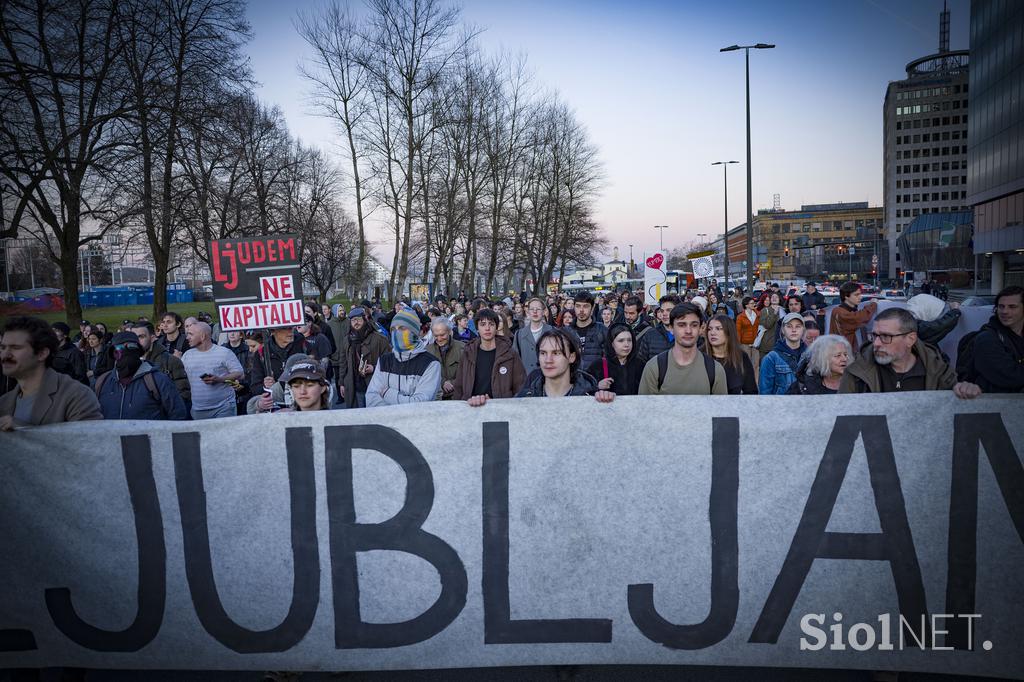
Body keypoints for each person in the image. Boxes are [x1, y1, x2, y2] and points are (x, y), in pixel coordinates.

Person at [839, 308, 980, 398]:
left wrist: (965, 390)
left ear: (910, 339)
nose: (876, 343)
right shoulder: (856, 372)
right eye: (874, 335)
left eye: (886, 336)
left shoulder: (939, 371)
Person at [0, 316, 103, 429]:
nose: (5, 355)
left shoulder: (76, 396)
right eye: (3, 347)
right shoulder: (4, 402)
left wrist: (23, 429)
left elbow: (90, 442)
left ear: (42, 353)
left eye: (15, 348)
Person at [94, 331, 187, 420]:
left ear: (139, 351)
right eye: (119, 348)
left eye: (131, 346)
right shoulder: (103, 382)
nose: (126, 351)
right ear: (113, 354)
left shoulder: (158, 381)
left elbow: (178, 416)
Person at [639, 303, 726, 395]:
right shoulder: (654, 368)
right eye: (681, 325)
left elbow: (720, 408)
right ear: (671, 328)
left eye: (694, 325)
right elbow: (645, 408)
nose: (688, 331)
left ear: (701, 329)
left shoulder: (715, 370)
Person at [366, 308, 441, 406]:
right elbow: (371, 399)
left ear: (414, 331)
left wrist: (386, 393)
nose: (397, 333)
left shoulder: (431, 364)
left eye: (402, 328)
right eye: (393, 329)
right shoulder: (384, 361)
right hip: (385, 420)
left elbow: (419, 404)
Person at [452, 308, 526, 406]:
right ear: (477, 328)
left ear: (496, 327)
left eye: (491, 324)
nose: (487, 328)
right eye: (482, 324)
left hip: (501, 410)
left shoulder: (510, 354)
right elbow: (459, 386)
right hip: (471, 408)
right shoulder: (468, 353)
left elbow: (520, 387)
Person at [516, 328, 613, 401]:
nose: (548, 360)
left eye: (556, 353)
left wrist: (607, 403)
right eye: (543, 353)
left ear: (572, 357)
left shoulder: (591, 397)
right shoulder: (524, 398)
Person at [963, 285, 1024, 393]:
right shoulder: (986, 339)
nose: (1005, 311)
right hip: (994, 405)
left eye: (1012, 307)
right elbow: (1010, 377)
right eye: (1001, 306)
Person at [181, 321, 244, 419]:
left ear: (202, 336)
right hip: (197, 410)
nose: (187, 337)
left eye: (191, 334)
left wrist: (219, 379)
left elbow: (239, 373)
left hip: (223, 408)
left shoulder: (224, 352)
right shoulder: (187, 355)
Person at [336, 307, 390, 408]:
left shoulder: (379, 339)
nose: (356, 323)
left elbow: (389, 361)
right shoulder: (347, 340)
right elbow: (343, 362)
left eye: (359, 319)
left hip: (375, 385)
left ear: (365, 319)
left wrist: (374, 368)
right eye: (353, 320)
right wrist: (342, 383)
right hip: (354, 385)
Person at [132, 321, 190, 408]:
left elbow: (183, 396)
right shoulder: (126, 362)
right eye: (133, 337)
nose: (136, 341)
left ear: (152, 338)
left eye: (141, 336)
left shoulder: (171, 361)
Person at [587, 322, 644, 396]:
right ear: (612, 343)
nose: (626, 345)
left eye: (629, 340)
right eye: (621, 341)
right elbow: (583, 391)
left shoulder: (640, 364)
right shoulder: (598, 366)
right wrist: (597, 387)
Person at [705, 315, 757, 395]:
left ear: (729, 332)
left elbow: (751, 391)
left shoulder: (741, 357)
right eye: (709, 329)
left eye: (718, 329)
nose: (712, 333)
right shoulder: (700, 356)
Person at [759, 312, 808, 395]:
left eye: (798, 326)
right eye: (789, 326)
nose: (794, 330)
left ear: (803, 329)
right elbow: (765, 393)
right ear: (782, 330)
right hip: (781, 406)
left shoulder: (811, 356)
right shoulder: (771, 358)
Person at [829, 281, 878, 350]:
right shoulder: (838, 311)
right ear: (846, 296)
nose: (860, 297)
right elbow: (857, 318)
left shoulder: (852, 310)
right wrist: (873, 304)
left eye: (860, 294)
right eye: (856, 295)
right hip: (843, 352)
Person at [426, 317, 464, 400]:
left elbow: (468, 373)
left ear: (450, 332)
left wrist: (452, 383)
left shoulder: (463, 348)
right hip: (436, 398)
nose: (439, 339)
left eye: (442, 335)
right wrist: (442, 382)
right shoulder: (427, 351)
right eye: (436, 336)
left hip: (458, 396)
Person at [512, 297, 553, 376]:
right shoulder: (519, 335)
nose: (535, 312)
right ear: (527, 312)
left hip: (548, 379)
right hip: (527, 380)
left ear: (544, 311)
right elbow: (515, 360)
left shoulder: (552, 331)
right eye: (532, 309)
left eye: (538, 309)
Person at [570, 291, 608, 371]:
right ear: (574, 307)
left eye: (586, 306)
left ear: (592, 307)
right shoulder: (566, 331)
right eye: (578, 306)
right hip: (573, 379)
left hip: (596, 379)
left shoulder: (602, 330)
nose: (581, 310)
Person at [636, 294, 677, 365]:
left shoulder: (686, 334)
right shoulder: (650, 335)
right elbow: (641, 363)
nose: (664, 314)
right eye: (662, 311)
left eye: (669, 310)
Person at [755, 291, 784, 360]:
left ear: (779, 299)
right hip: (767, 346)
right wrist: (774, 313)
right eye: (772, 297)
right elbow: (767, 325)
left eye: (776, 297)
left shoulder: (783, 310)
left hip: (780, 344)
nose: (774, 298)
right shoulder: (765, 310)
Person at [735, 296, 760, 370]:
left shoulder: (757, 314)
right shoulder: (740, 317)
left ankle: (756, 381)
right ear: (746, 305)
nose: (754, 305)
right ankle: (746, 380)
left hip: (756, 343)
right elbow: (738, 331)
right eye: (751, 303)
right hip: (745, 344)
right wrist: (738, 344)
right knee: (745, 365)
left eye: (754, 303)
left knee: (756, 365)